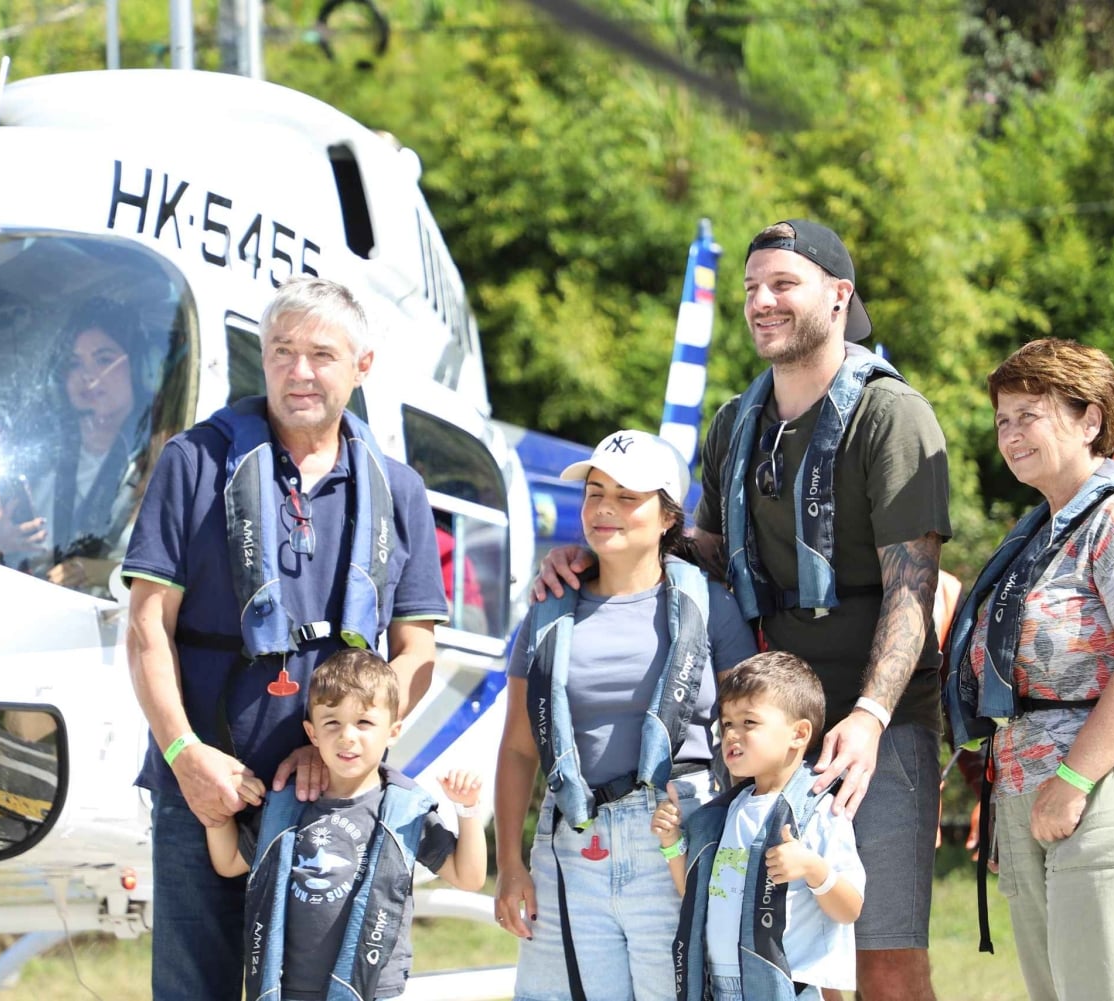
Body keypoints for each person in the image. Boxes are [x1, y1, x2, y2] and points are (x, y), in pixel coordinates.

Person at [538, 220, 949, 1001]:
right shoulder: (736, 424)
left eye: (783, 284)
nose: (761, 300)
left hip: (879, 720)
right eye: (752, 287)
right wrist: (594, 557)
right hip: (766, 719)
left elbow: (913, 587)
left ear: (839, 295)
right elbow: (711, 554)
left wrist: (865, 716)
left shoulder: (892, 415)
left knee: (883, 959)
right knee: (761, 944)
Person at [123, 275, 449, 1000]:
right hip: (205, 786)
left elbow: (416, 653)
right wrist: (184, 755)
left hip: (334, 795)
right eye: (281, 351)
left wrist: (340, 746)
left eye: (321, 354)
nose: (298, 371)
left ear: (362, 366)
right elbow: (148, 623)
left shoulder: (399, 491)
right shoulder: (195, 462)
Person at [946, 338, 1114, 1001]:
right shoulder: (1042, 529)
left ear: (1090, 420)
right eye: (1002, 419)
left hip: (1113, 781)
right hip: (1040, 788)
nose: (1009, 435)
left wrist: (1072, 778)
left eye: (1028, 415)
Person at [495, 429, 759, 1001]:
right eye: (595, 492)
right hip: (570, 842)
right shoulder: (546, 609)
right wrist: (510, 865)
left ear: (668, 517)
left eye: (626, 496)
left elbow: (756, 729)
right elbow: (518, 748)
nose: (605, 509)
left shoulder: (712, 607)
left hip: (673, 836)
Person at [205, 649, 486, 1001]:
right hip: (287, 989)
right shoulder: (287, 806)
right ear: (312, 732)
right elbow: (229, 862)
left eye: (364, 723)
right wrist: (215, 812)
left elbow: (469, 877)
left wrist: (468, 809)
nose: (347, 736)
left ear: (394, 730)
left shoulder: (405, 811)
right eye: (332, 722)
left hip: (371, 989)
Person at [655, 651, 865, 1001]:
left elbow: (850, 908)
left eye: (749, 722)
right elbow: (694, 894)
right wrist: (672, 843)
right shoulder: (723, 814)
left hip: (785, 988)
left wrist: (813, 869)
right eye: (727, 724)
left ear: (798, 734)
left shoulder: (820, 812)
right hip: (719, 987)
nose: (732, 735)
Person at [0, 299, 151, 593]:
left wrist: (106, 573)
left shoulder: (163, 466)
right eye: (75, 363)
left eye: (104, 359)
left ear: (138, 370)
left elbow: (178, 583)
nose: (87, 375)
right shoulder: (39, 463)